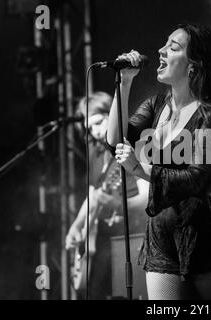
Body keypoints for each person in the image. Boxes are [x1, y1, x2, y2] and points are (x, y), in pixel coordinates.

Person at [105, 24, 211, 300]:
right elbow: (116, 138)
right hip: (161, 235)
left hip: (203, 233)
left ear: (194, 65)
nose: (160, 51)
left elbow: (197, 179)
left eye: (173, 47)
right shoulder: (155, 105)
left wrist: (139, 169)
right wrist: (124, 82)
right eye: (164, 44)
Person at [65, 91, 148, 299]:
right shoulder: (96, 151)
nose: (95, 132)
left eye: (99, 122)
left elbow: (150, 196)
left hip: (134, 235)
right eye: (89, 128)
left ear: (110, 115)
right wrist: (77, 225)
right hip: (104, 240)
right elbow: (93, 195)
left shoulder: (131, 143)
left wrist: (118, 204)